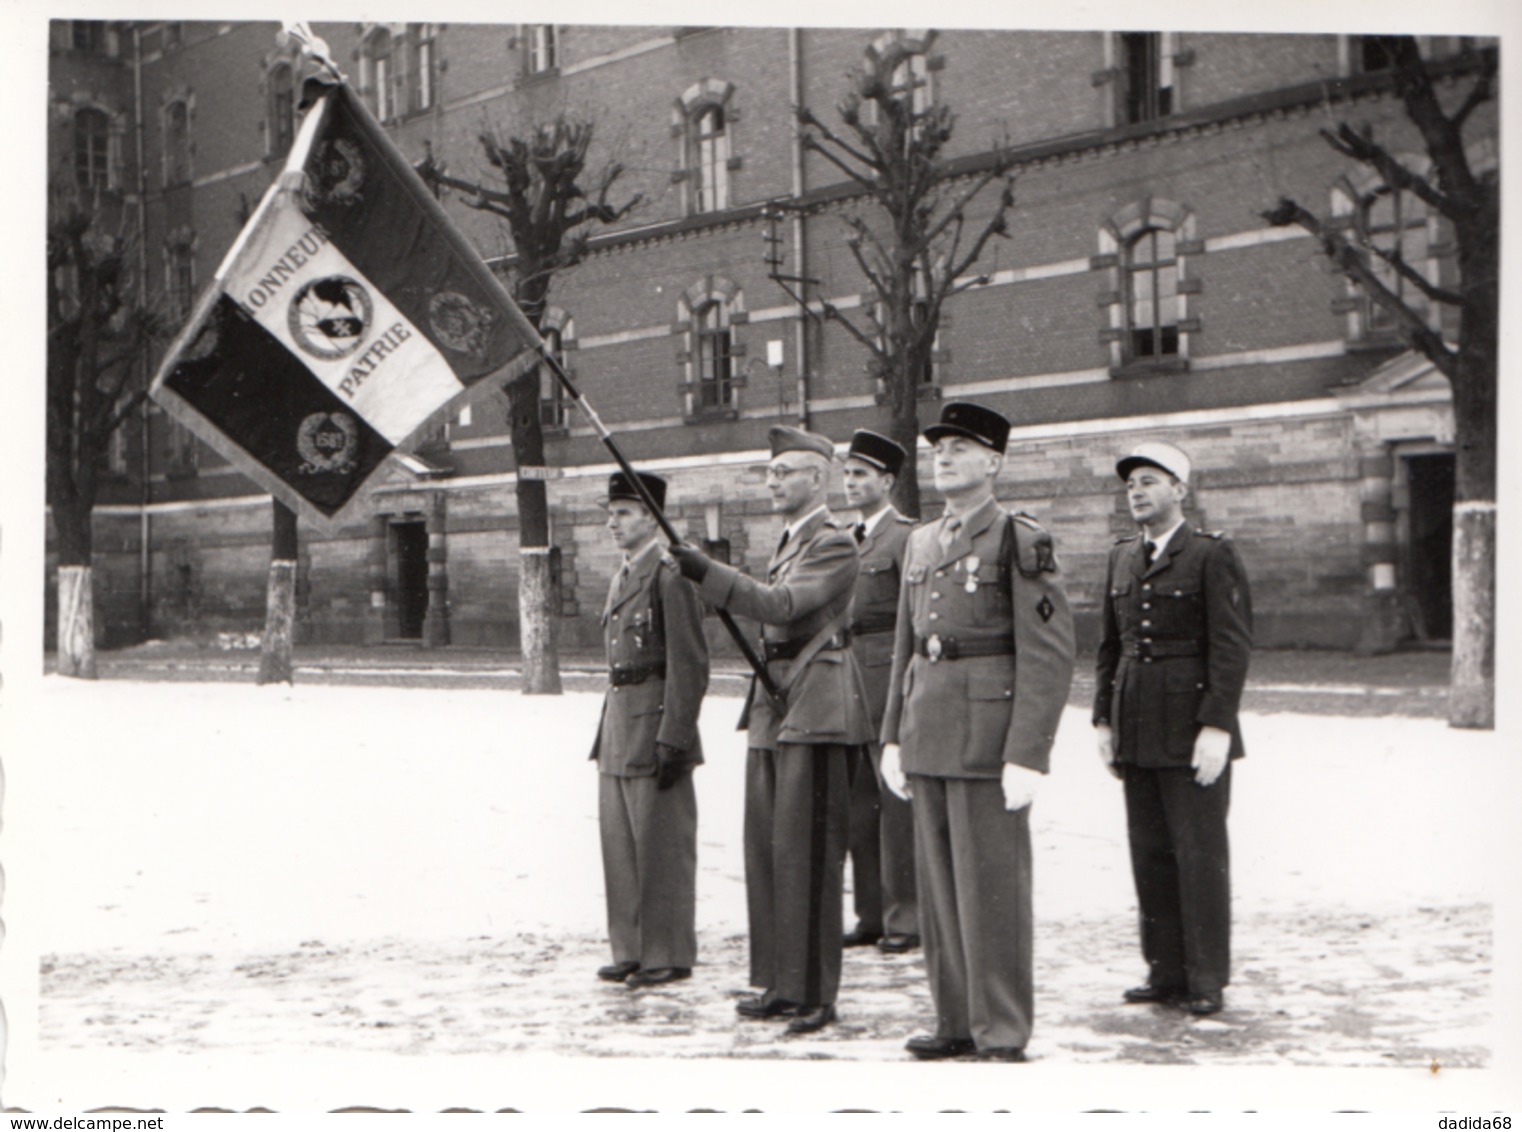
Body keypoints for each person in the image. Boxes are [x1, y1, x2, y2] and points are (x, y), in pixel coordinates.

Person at [879, 401, 1076, 1062]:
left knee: (991, 890)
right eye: (938, 448)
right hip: (928, 728)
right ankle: (955, 1019)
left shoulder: (1018, 539)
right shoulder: (920, 541)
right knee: (938, 891)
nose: (945, 457)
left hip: (988, 739)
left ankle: (1001, 1027)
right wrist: (891, 737)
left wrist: (1028, 752)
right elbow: (907, 647)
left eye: (960, 447)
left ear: (993, 462)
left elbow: (1047, 654)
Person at [669, 425, 873, 1035]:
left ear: (818, 476)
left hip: (817, 707)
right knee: (768, 852)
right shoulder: (789, 540)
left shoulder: (835, 543)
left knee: (809, 854)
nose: (773, 481)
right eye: (771, 472)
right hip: (775, 707)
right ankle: (780, 981)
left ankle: (814, 991)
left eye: (785, 471)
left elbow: (783, 606)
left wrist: (709, 572)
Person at [1093, 441, 1252, 1017]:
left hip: (1191, 730)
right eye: (1130, 484)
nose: (1136, 492)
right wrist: (1102, 721)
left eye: (1149, 482)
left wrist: (1217, 728)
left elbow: (1231, 650)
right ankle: (1165, 971)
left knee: (1199, 854)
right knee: (1151, 853)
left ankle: (1206, 977)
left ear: (1180, 491)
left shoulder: (1211, 554)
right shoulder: (1120, 558)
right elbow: (1109, 648)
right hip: (1135, 724)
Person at [589, 471, 709, 990]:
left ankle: (667, 953)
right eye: (610, 512)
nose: (612, 522)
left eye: (623, 512)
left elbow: (690, 664)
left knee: (662, 849)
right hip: (618, 727)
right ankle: (632, 948)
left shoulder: (669, 574)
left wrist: (674, 736)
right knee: (620, 849)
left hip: (655, 727)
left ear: (651, 518)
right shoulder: (623, 575)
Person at [840, 429, 920, 954]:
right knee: (858, 812)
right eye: (846, 474)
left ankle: (905, 919)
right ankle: (870, 914)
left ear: (887, 482)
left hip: (887, 680)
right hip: (847, 683)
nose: (850, 483)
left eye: (861, 475)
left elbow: (912, 620)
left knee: (896, 813)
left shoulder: (907, 537)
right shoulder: (844, 540)